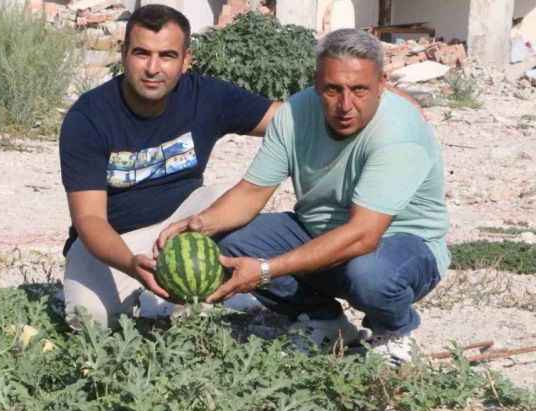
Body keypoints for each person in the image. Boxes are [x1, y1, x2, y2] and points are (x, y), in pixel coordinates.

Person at [156, 28, 450, 366]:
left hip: (399, 246)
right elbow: (251, 193)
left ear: (382, 83)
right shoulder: (295, 114)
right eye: (332, 89)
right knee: (228, 242)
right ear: (316, 82)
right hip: (320, 232)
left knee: (370, 275)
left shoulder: (398, 131)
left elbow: (364, 235)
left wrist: (266, 269)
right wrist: (199, 224)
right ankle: (325, 322)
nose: (345, 105)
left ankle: (393, 332)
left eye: (359, 90)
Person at [59, 4, 282, 329]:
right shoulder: (89, 117)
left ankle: (186, 295)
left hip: (184, 223)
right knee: (88, 321)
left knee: (223, 201)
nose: (153, 68)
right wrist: (132, 264)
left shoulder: (206, 97)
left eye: (166, 55)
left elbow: (288, 122)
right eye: (141, 53)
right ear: (123, 54)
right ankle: (146, 292)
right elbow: (90, 219)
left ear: (186, 60)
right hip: (112, 241)